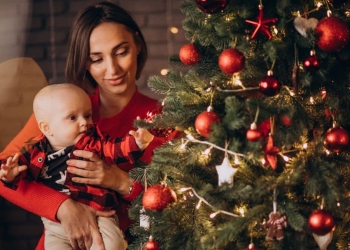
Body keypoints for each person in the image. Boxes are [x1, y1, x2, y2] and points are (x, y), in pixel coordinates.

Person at [0, 2, 178, 250]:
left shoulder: (164, 120)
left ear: (137, 45)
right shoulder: (59, 111)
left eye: (121, 52)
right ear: (84, 63)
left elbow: (180, 199)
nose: (112, 69)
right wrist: (62, 207)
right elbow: (3, 172)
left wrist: (119, 181)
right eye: (96, 59)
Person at [0, 83, 154, 250]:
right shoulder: (35, 152)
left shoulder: (92, 142)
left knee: (111, 245)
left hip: (99, 213)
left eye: (87, 116)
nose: (84, 123)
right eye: (73, 118)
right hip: (55, 224)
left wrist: (136, 143)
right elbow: (15, 173)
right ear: (47, 128)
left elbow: (115, 148)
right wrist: (10, 175)